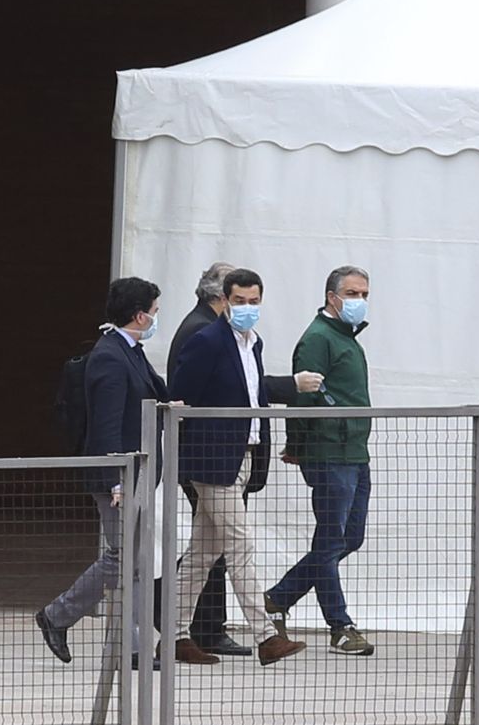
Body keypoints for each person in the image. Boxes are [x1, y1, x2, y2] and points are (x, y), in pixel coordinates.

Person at [166, 267, 313, 665]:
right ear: (224, 300)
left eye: (253, 301)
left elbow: (253, 392)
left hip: (244, 454)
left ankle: (175, 634)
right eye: (240, 301)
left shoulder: (253, 343)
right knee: (241, 544)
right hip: (214, 461)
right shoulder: (207, 341)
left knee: (202, 553)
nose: (247, 308)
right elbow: (182, 398)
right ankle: (266, 635)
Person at [36, 276, 166, 665]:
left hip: (134, 476)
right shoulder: (109, 355)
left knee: (135, 561)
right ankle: (57, 614)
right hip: (118, 478)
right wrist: (115, 480)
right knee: (124, 556)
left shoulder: (130, 350)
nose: (157, 318)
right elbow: (106, 423)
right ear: (140, 316)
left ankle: (135, 645)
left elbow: (152, 392)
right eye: (155, 312)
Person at [266, 265, 376, 656]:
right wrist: (297, 444)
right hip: (329, 452)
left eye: (363, 293)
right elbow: (304, 396)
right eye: (351, 293)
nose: (359, 300)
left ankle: (280, 596)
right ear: (332, 296)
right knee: (330, 540)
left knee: (350, 537)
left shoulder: (345, 338)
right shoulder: (318, 339)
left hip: (353, 451)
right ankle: (340, 624)